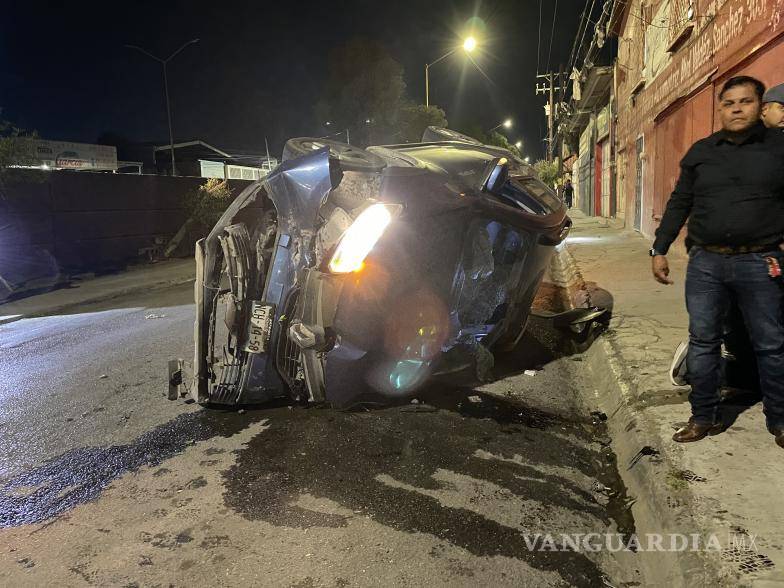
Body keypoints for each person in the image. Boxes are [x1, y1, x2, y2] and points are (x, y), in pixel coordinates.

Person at [650, 75, 784, 448]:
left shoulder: (778, 148)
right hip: (707, 264)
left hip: (761, 261)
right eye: (729, 102)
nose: (737, 108)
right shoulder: (702, 152)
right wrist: (658, 248)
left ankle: (780, 420)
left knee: (771, 344)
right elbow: (680, 201)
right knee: (704, 340)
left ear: (759, 106)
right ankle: (702, 417)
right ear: (720, 108)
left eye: (746, 101)